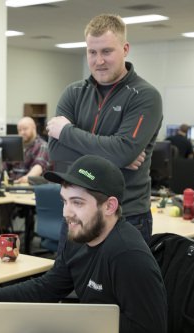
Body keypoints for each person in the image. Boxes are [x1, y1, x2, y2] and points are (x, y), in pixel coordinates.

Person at [0, 155, 167, 333]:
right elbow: (46, 289)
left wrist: (75, 323)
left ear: (109, 206)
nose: (66, 213)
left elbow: (150, 328)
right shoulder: (79, 237)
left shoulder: (128, 255)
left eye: (77, 203)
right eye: (64, 201)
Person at [47, 13, 162, 243]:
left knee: (121, 281)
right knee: (69, 279)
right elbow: (56, 152)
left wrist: (67, 132)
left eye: (107, 51)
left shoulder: (145, 96)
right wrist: (114, 155)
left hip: (125, 214)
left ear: (125, 49)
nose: (99, 60)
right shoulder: (73, 92)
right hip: (77, 212)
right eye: (92, 52)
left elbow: (123, 152)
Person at [4, 116, 50, 184]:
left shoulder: (42, 145)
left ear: (34, 128)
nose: (22, 132)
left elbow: (39, 167)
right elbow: (4, 164)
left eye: (25, 129)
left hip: (30, 187)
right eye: (19, 130)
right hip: (12, 185)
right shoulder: (16, 146)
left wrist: (25, 179)